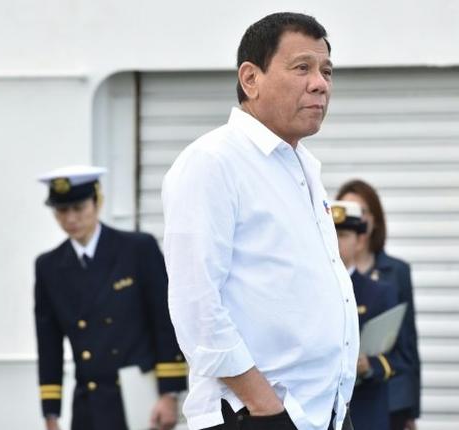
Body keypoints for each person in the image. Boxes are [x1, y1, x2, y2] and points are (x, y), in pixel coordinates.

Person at [161, 12, 358, 430]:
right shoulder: (213, 162)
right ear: (250, 79)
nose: (320, 83)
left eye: (326, 71)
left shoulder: (302, 166)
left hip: (318, 415)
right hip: (253, 417)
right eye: (302, 67)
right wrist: (265, 407)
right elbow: (196, 305)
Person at [34, 165, 186, 430]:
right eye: (62, 211)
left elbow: (165, 322)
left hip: (140, 397)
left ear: (97, 202)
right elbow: (49, 345)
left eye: (79, 208)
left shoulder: (138, 249)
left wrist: (169, 393)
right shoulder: (49, 266)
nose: (71, 218)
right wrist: (51, 414)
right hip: (89, 402)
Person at [336, 179, 421, 430]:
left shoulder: (389, 280)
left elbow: (405, 350)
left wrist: (409, 410)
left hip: (376, 403)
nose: (338, 242)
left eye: (344, 235)